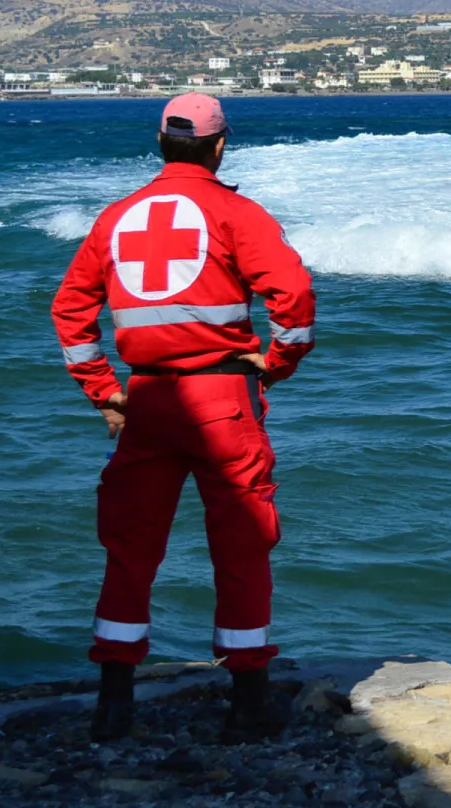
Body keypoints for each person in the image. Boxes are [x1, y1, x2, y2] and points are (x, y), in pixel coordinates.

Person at [50, 93, 316, 742]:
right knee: (243, 546)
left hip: (146, 404)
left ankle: (114, 707)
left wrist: (103, 392)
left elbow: (70, 310)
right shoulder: (235, 212)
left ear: (162, 145)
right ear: (219, 146)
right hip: (223, 404)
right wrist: (275, 363)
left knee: (130, 550)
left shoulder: (116, 218)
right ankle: (248, 707)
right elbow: (295, 298)